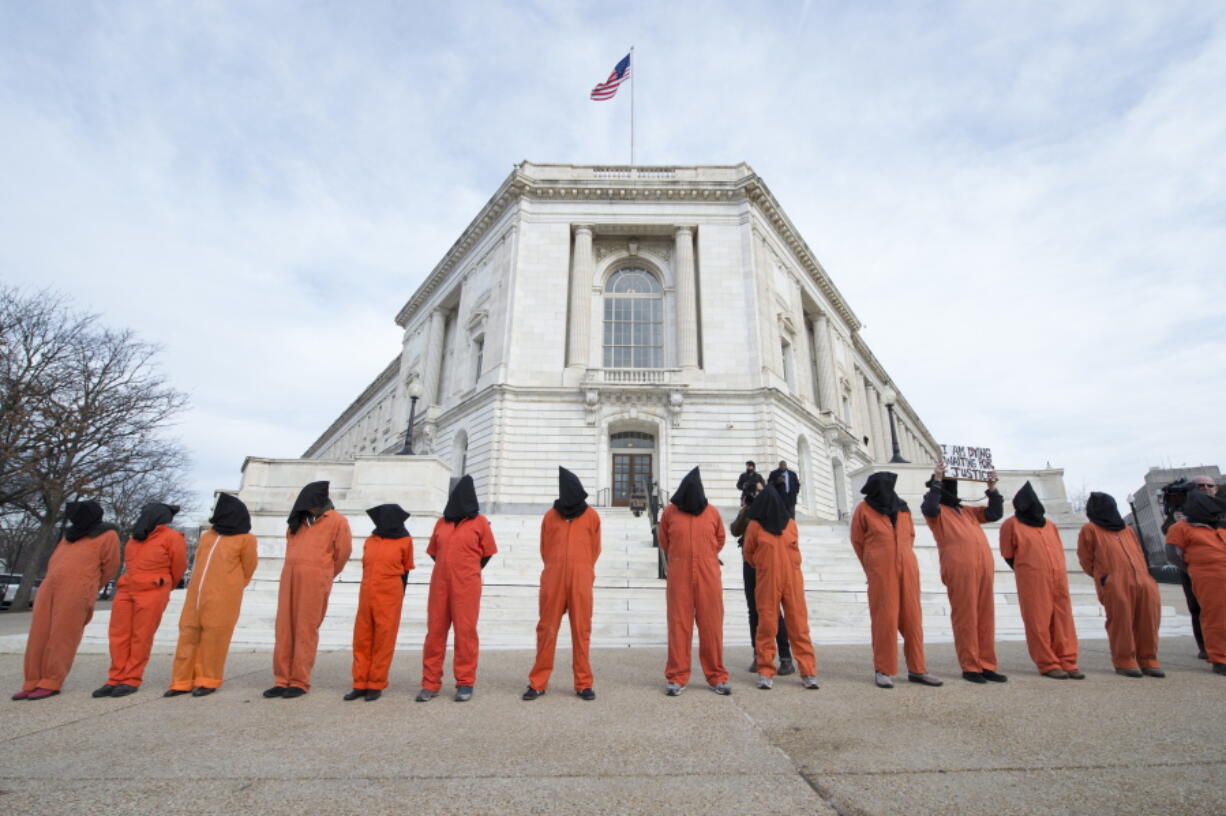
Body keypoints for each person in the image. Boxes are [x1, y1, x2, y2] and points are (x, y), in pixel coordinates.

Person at [14, 501, 120, 701]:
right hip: (49, 587)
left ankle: (51, 681)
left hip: (77, 589)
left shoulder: (108, 535)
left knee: (63, 636)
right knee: (38, 634)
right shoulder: (69, 535)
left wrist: (88, 585)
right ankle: (31, 681)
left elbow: (111, 567)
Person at [851, 472, 942, 689]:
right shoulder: (864, 509)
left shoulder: (903, 508)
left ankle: (918, 669)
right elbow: (857, 541)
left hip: (907, 568)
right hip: (881, 570)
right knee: (885, 619)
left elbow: (910, 535)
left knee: (913, 619)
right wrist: (872, 566)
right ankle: (883, 669)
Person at [265, 481, 352, 698]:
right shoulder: (297, 523)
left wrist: (324, 573)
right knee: (284, 628)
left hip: (316, 580)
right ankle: (281, 679)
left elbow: (343, 553)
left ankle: (299, 680)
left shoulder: (337, 521)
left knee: (305, 629)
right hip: (290, 578)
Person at [165, 493, 258, 697]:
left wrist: (231, 586)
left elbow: (249, 567)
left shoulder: (246, 539)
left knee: (215, 638)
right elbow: (198, 561)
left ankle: (208, 679)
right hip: (196, 593)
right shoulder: (208, 536)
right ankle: (181, 681)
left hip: (224, 595)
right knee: (188, 634)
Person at [921, 464, 1006, 684]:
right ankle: (970, 666)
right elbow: (929, 507)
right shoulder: (937, 511)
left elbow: (994, 513)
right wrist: (937, 481)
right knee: (966, 616)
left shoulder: (968, 511)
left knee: (986, 616)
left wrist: (992, 488)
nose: (953, 489)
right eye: (949, 486)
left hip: (983, 567)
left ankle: (987, 664)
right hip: (959, 568)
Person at [523, 467, 602, 701]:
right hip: (554, 578)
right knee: (546, 629)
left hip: (580, 579)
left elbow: (595, 549)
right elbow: (545, 547)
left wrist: (583, 567)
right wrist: (556, 567)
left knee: (581, 631)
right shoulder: (550, 516)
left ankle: (583, 683)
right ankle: (538, 682)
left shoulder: (591, 516)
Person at [417, 476, 497, 703]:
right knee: (435, 633)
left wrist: (468, 569)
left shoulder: (479, 522)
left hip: (467, 585)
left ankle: (465, 682)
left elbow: (487, 553)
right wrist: (448, 567)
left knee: (465, 633)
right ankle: (430, 683)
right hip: (440, 584)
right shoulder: (441, 523)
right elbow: (434, 552)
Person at [95, 502, 187, 698]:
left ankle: (131, 678)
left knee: (141, 636)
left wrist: (164, 584)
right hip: (127, 589)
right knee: (118, 635)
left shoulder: (172, 537)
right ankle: (114, 678)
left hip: (153, 588)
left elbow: (178, 566)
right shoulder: (134, 538)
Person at [658, 467, 730, 696]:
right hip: (680, 574)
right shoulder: (670, 512)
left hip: (708, 574)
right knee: (679, 625)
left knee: (712, 626)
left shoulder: (712, 513)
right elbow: (664, 540)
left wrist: (705, 558)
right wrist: (681, 558)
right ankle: (677, 676)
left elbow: (720, 539)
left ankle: (716, 675)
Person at [999, 482, 1082, 679]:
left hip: (1057, 577)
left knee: (1063, 620)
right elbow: (1008, 553)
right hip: (1032, 578)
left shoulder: (1050, 525)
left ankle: (1067, 660)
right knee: (1038, 621)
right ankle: (1047, 663)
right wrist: (1027, 569)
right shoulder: (1011, 524)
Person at [1077, 492, 1163, 678]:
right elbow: (1086, 559)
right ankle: (1125, 660)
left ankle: (1148, 659)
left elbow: (1140, 553)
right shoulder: (1090, 529)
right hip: (1114, 580)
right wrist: (1105, 577)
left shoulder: (1127, 530)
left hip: (1142, 579)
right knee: (1121, 622)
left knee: (1148, 620)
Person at [742, 488, 819, 690]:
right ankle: (766, 671)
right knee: (767, 626)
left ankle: (808, 671)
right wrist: (764, 566)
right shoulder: (755, 525)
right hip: (768, 579)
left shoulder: (791, 524)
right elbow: (748, 553)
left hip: (791, 579)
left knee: (799, 626)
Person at [346, 504, 414, 702]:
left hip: (390, 592)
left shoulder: (405, 540)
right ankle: (360, 683)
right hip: (367, 591)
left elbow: (406, 569)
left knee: (384, 639)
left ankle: (376, 683)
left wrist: (400, 595)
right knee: (362, 637)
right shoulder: (371, 540)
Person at [730, 479, 793, 675]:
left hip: (769, 564)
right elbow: (735, 530)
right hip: (750, 564)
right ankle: (758, 655)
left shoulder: (774, 508)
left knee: (774, 610)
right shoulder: (749, 511)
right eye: (752, 492)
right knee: (753, 610)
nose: (756, 495)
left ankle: (785, 657)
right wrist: (746, 509)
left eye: (758, 490)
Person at [1165, 490, 1226, 676]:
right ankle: (1220, 658)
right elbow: (1172, 555)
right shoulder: (1180, 528)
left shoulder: (1219, 527)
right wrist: (1193, 568)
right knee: (1216, 616)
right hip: (1208, 576)